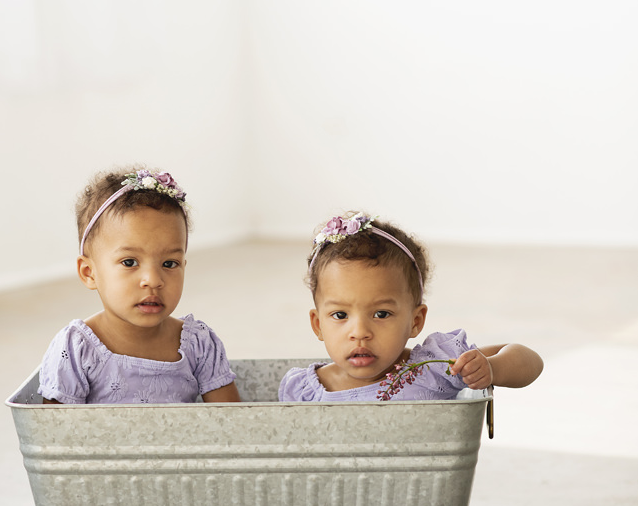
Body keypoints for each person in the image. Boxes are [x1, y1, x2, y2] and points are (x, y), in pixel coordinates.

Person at [279, 212, 543, 402]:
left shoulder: (436, 367)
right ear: (318, 324)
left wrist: (492, 368)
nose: (359, 332)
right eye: (340, 315)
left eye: (381, 314)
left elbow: (530, 361)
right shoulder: (303, 391)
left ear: (415, 321)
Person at [40, 167, 240, 404]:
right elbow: (54, 436)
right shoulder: (76, 349)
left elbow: (231, 426)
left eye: (169, 263)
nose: (153, 280)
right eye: (129, 262)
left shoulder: (199, 344)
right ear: (89, 273)